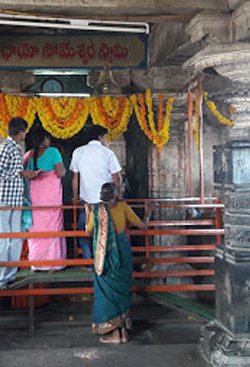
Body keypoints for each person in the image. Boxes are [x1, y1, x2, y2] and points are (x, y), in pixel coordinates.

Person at [85, 183, 152, 344]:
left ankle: (114, 334)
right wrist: (148, 212)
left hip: (105, 257)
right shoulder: (123, 207)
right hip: (122, 253)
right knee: (122, 291)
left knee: (107, 294)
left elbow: (88, 232)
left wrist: (88, 212)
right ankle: (123, 333)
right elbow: (142, 226)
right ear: (115, 196)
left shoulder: (98, 211)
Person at [0, 117, 40, 290]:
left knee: (15, 239)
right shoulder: (5, 147)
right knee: (2, 240)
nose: (25, 134)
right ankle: (0, 280)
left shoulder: (16, 148)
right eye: (24, 131)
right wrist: (20, 173)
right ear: (20, 132)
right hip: (2, 200)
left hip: (15, 200)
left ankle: (10, 275)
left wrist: (24, 174)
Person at [70, 125, 122, 261]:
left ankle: (88, 262)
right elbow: (116, 177)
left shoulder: (78, 152)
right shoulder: (107, 153)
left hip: (86, 200)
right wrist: (117, 195)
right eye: (104, 137)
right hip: (106, 200)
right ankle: (105, 260)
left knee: (85, 230)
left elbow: (75, 177)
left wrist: (75, 197)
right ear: (100, 137)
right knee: (105, 230)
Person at [23, 129, 66, 271]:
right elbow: (60, 173)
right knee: (53, 226)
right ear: (45, 139)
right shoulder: (53, 152)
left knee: (36, 227)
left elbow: (22, 172)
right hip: (50, 198)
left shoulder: (28, 155)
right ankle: (53, 263)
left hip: (35, 198)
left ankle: (37, 262)